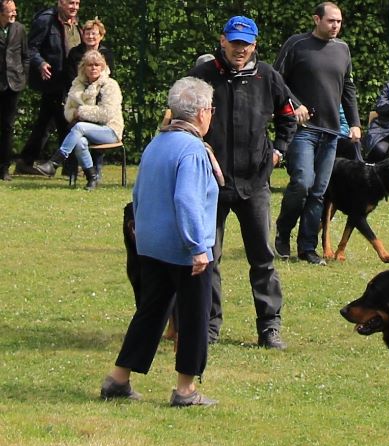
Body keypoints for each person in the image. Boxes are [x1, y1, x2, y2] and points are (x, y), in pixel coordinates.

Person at [99, 77, 220, 407]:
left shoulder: (157, 143)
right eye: (210, 109)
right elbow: (187, 201)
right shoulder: (192, 150)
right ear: (199, 114)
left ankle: (117, 379)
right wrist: (198, 246)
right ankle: (185, 390)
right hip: (183, 250)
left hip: (151, 245)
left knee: (150, 312)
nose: (211, 115)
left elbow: (138, 194)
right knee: (195, 316)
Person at [190, 15, 297, 350]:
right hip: (211, 184)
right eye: (234, 42)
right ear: (222, 41)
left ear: (255, 45)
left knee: (263, 258)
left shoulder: (268, 76)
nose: (240, 49)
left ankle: (269, 328)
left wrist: (279, 150)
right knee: (208, 258)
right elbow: (183, 118)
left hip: (255, 183)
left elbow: (288, 116)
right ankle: (208, 327)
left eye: (246, 43)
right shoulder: (202, 76)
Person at [273, 1, 359, 266]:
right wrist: (294, 105)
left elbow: (348, 88)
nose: (335, 26)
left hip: (331, 131)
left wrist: (354, 122)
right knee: (302, 182)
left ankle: (307, 248)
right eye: (331, 20)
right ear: (316, 20)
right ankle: (283, 233)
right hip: (303, 130)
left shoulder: (343, 49)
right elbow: (276, 80)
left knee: (319, 191)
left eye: (339, 22)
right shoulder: (296, 44)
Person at [32, 49, 120, 190]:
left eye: (97, 65)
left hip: (109, 130)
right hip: (86, 131)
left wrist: (81, 112)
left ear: (102, 67)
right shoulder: (77, 84)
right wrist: (75, 114)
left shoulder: (110, 85)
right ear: (83, 67)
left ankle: (55, 162)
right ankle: (92, 178)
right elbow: (68, 111)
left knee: (79, 128)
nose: (93, 68)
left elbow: (106, 113)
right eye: (89, 65)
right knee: (79, 142)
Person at [17, 0, 79, 176]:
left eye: (77, 3)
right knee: (61, 121)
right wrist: (41, 63)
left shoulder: (75, 22)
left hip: (69, 81)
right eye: (70, 3)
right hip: (53, 80)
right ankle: (67, 166)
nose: (74, 7)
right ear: (60, 2)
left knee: (47, 122)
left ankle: (27, 160)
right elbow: (31, 48)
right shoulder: (46, 20)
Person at [0, 0, 29, 180]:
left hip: (13, 84)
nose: (14, 14)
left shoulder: (19, 29)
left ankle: (4, 168)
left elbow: (25, 56)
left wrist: (23, 77)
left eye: (15, 11)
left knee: (8, 127)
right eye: (10, 11)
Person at [65, 16, 111, 82]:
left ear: (101, 36)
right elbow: (70, 75)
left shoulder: (106, 54)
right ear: (83, 36)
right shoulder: (74, 53)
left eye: (93, 34)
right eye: (87, 34)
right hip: (77, 86)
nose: (90, 36)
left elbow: (108, 75)